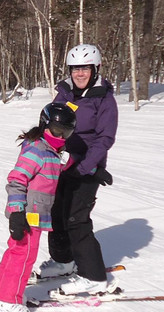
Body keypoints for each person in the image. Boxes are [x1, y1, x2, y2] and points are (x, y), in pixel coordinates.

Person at [0, 102, 78, 312]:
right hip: (28, 215)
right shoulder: (38, 150)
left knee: (16, 252)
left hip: (36, 214)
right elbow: (16, 180)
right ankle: (8, 301)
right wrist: (17, 213)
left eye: (66, 133)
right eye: (57, 130)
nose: (60, 136)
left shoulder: (50, 150)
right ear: (45, 125)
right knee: (24, 256)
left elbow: (53, 170)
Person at [36, 44, 119, 299]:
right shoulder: (64, 93)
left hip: (87, 167)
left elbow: (104, 138)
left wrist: (84, 166)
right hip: (60, 162)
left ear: (96, 69)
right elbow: (49, 123)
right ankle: (63, 261)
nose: (79, 74)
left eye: (85, 68)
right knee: (56, 212)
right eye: (75, 69)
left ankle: (94, 277)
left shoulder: (104, 99)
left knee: (76, 219)